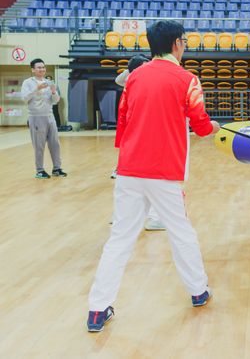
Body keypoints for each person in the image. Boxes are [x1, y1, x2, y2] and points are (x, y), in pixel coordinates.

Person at [87, 20, 220, 332]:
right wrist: (212, 127)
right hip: (164, 171)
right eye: (184, 41)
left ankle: (97, 309)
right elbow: (201, 125)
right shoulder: (188, 79)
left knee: (120, 239)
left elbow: (123, 118)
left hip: (129, 168)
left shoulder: (134, 77)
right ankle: (198, 291)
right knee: (181, 232)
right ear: (176, 44)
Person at [112, 54, 165, 231]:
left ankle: (131, 217)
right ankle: (148, 217)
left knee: (141, 179)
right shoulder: (135, 83)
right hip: (139, 136)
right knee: (150, 178)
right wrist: (133, 67)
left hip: (140, 136)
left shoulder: (139, 83)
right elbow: (119, 79)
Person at [21, 58, 67, 179]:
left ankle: (57, 168)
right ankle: (40, 170)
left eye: (43, 67)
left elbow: (55, 101)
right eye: (39, 67)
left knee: (55, 144)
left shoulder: (49, 82)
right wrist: (37, 89)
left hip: (50, 117)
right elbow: (24, 98)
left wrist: (54, 92)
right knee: (39, 145)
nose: (42, 69)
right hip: (36, 117)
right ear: (33, 70)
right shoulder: (28, 82)